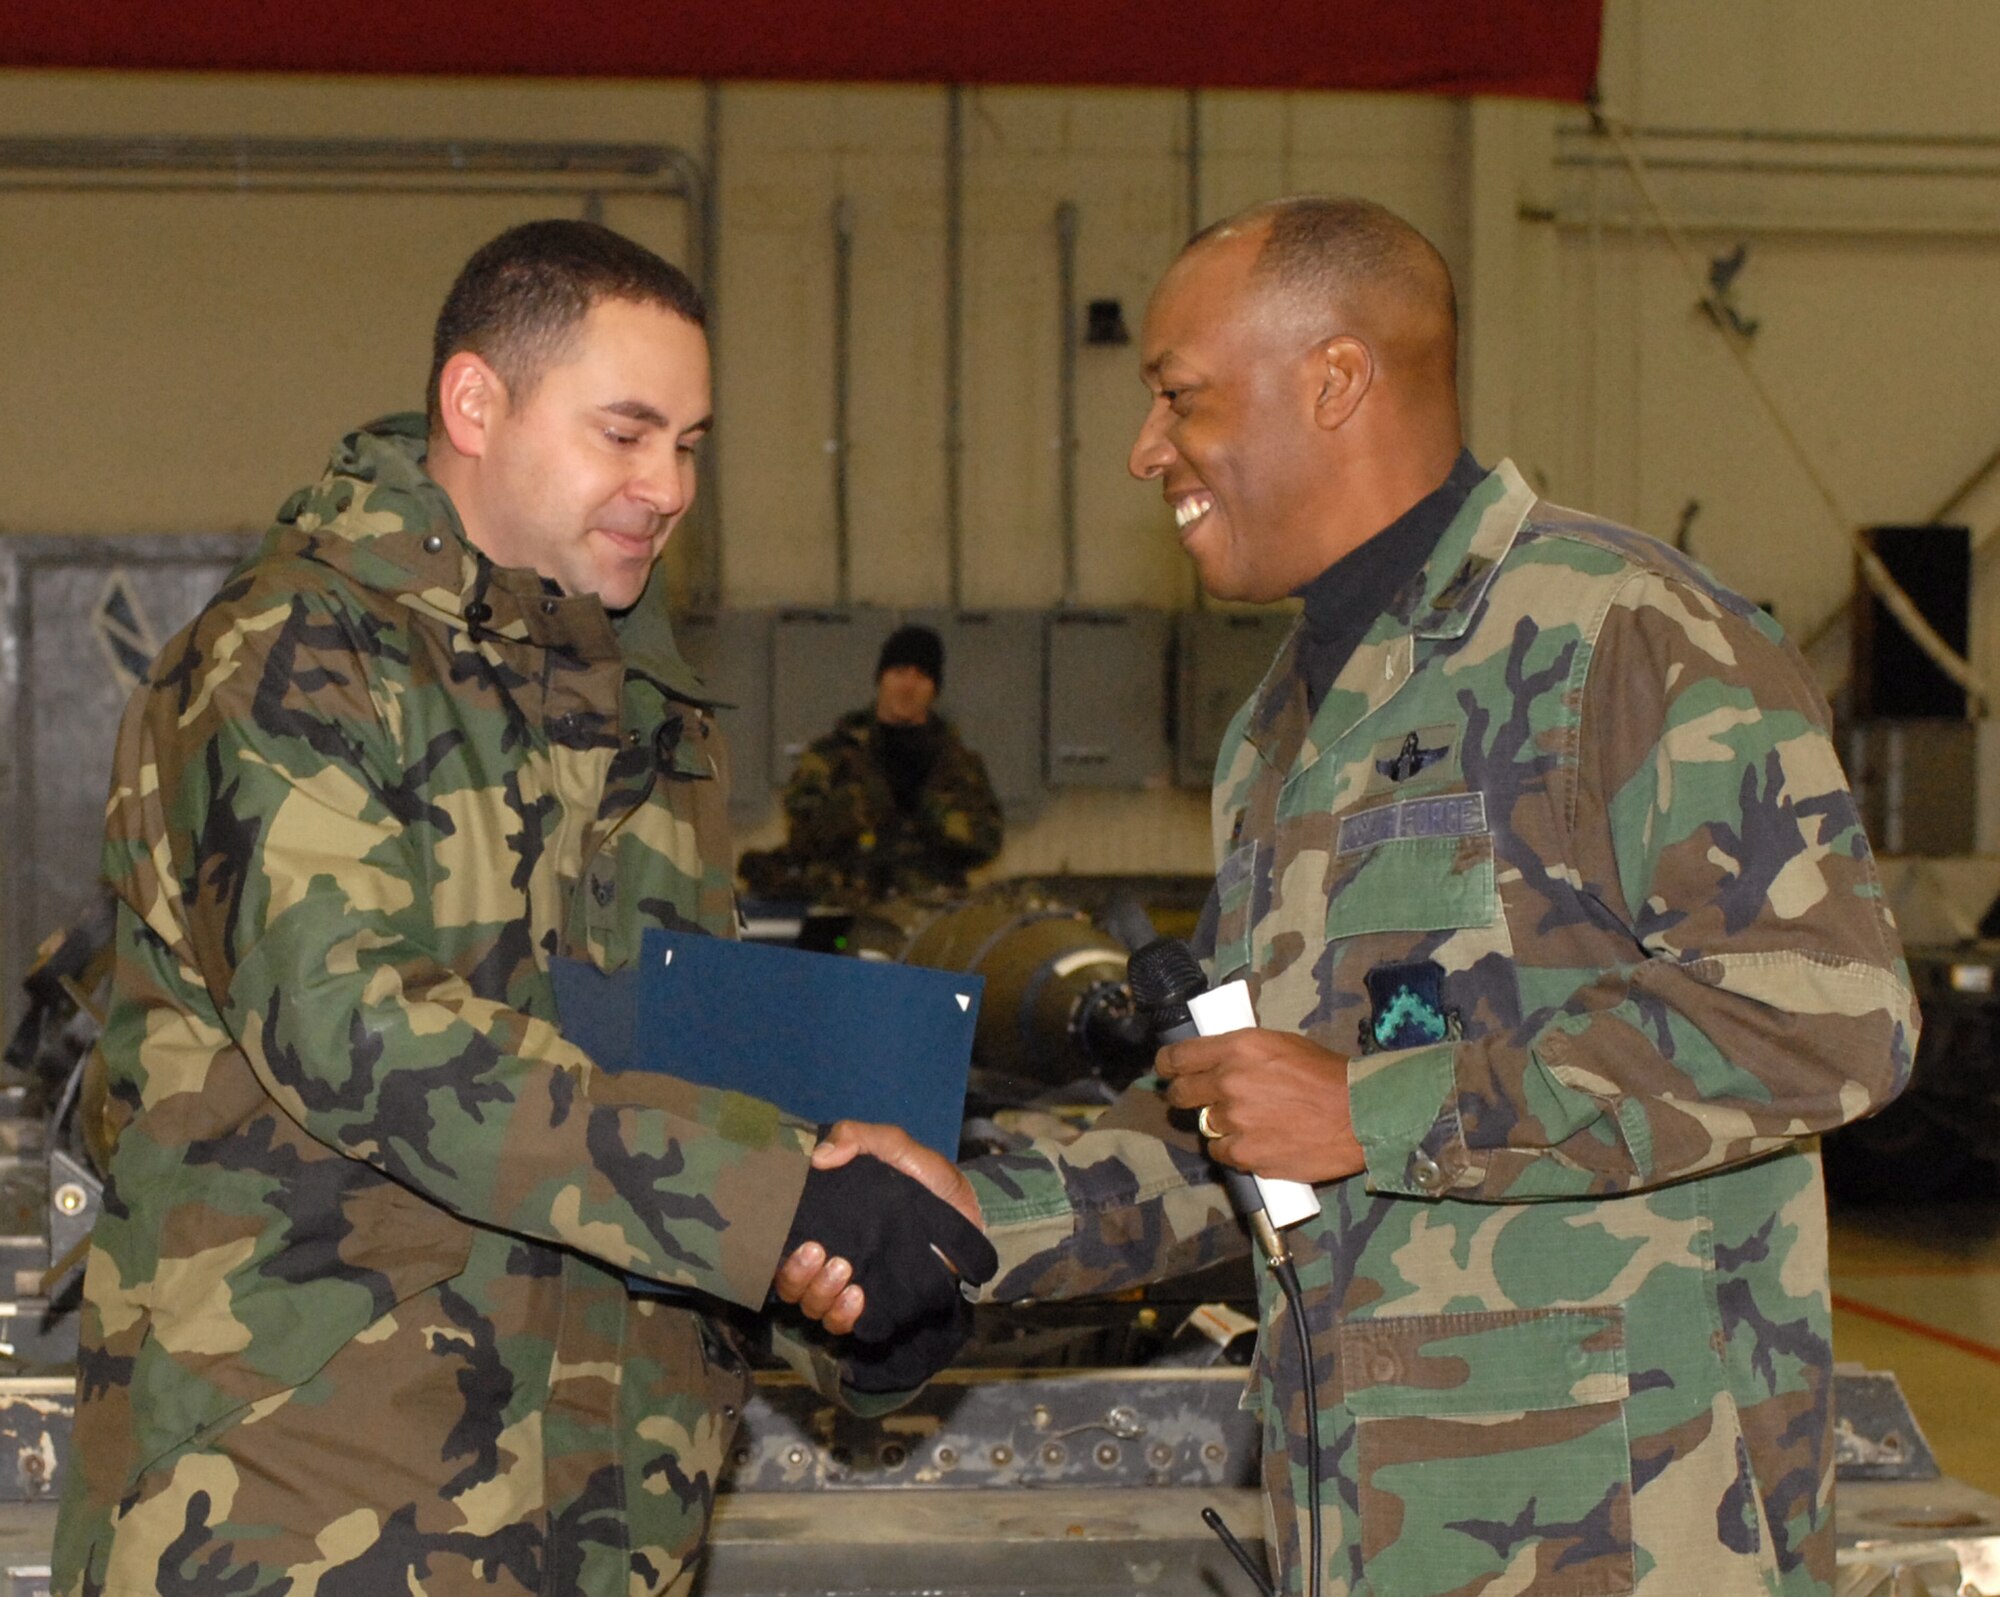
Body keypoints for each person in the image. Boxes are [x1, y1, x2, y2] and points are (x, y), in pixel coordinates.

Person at [791, 197, 1918, 1597]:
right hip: (1366, 1534)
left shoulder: (1619, 638)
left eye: (1176, 397)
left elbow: (1835, 1016)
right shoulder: (1279, 732)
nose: (1148, 451)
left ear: (1333, 381)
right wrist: (972, 1219)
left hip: (1638, 1546)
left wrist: (1375, 1106)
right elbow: (1257, 1124)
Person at [55, 220, 990, 1597]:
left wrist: (817, 1294)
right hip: (312, 1509)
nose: (666, 486)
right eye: (625, 432)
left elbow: (662, 1076)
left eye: (690, 444)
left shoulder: (652, 717)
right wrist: (774, 1192)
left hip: (605, 1520)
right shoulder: (292, 664)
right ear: (476, 404)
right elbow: (356, 1032)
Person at [742, 623, 1003, 905]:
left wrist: (933, 812)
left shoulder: (957, 763)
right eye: (899, 673)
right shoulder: (833, 755)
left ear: (934, 690)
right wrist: (854, 809)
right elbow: (801, 834)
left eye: (922, 677)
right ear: (881, 679)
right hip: (844, 910)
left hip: (928, 914)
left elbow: (987, 842)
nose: (908, 686)